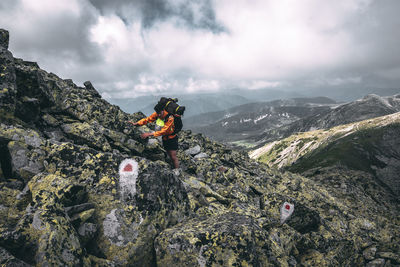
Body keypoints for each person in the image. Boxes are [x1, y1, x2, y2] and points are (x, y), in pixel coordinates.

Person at [128, 98, 185, 170]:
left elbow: (164, 131)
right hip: (165, 138)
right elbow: (148, 119)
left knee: (173, 156)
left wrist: (149, 134)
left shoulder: (170, 118)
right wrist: (137, 123)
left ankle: (177, 171)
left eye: (160, 114)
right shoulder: (157, 113)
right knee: (168, 154)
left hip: (172, 138)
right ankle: (171, 167)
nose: (158, 115)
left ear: (163, 111)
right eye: (157, 114)